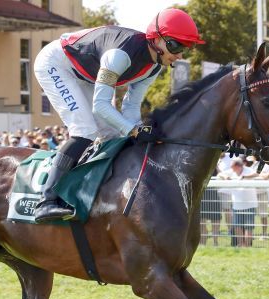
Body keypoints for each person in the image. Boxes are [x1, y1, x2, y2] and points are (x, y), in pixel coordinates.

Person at [31, 8, 205, 222]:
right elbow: (101, 107)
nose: (179, 54)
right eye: (175, 45)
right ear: (156, 39)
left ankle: (88, 194)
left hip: (85, 75)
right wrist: (133, 130)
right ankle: (46, 200)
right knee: (85, 130)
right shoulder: (120, 56)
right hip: (56, 63)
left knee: (112, 135)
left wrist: (141, 129)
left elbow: (130, 108)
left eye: (187, 47)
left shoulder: (154, 67)